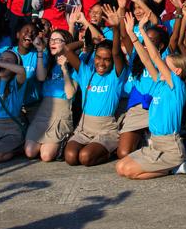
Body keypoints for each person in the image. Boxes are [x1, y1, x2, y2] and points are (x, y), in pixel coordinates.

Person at [116, 12, 186, 179]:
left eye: (166, 65)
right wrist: (132, 36)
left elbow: (155, 57)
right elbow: (147, 60)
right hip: (155, 144)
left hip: (170, 146)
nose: (162, 65)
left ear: (177, 71)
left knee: (131, 173)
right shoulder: (159, 83)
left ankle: (176, 166)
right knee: (120, 167)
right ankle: (173, 167)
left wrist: (142, 30)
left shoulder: (176, 85)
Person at [64, 12, 129, 167]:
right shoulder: (87, 73)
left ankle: (108, 150)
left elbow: (116, 53)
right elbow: (67, 49)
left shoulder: (116, 76)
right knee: (71, 157)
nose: (101, 63)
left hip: (105, 129)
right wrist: (87, 43)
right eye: (98, 58)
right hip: (84, 127)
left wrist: (115, 29)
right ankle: (94, 147)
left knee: (85, 158)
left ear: (112, 62)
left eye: (106, 60)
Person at [25, 28, 80, 161]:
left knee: (46, 156)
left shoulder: (74, 63)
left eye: (57, 40)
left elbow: (70, 94)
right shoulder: (48, 61)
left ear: (66, 43)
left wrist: (64, 69)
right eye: (51, 40)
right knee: (30, 152)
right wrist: (39, 50)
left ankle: (66, 139)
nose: (52, 43)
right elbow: (40, 77)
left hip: (61, 112)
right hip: (44, 111)